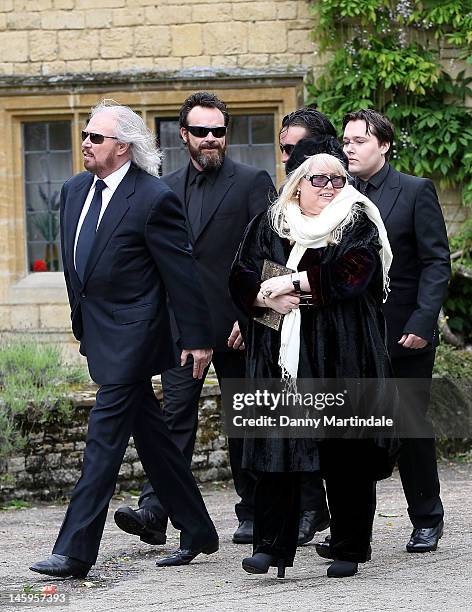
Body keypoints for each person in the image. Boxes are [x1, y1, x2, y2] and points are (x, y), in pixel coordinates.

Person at [30, 100, 218, 578]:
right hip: (98, 331)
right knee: (153, 438)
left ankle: (75, 550)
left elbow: (181, 273)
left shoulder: (153, 197)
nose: (86, 143)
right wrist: (80, 320)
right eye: (86, 135)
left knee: (104, 439)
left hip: (136, 335)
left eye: (95, 137)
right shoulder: (74, 190)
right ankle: (198, 529)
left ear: (123, 146)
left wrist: (197, 338)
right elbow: (77, 266)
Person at [114, 92, 275, 547]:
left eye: (218, 132)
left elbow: (272, 253)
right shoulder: (162, 186)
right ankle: (155, 510)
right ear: (182, 134)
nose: (210, 139)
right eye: (200, 131)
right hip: (182, 329)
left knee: (246, 421)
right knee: (173, 419)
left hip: (241, 325)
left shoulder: (252, 181)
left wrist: (256, 313)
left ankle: (253, 511)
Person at [229, 153, 396, 578]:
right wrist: (266, 297)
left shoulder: (357, 219)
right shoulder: (272, 221)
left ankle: (348, 546)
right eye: (319, 178)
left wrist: (293, 283)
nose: (330, 187)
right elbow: (241, 273)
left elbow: (356, 271)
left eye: (339, 180)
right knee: (277, 451)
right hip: (279, 356)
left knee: (346, 456)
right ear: (298, 183)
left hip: (344, 352)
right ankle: (271, 546)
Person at [341, 109, 451, 553]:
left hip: (405, 333)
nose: (349, 147)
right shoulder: (336, 195)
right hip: (352, 335)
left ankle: (427, 517)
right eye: (346, 140)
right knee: (351, 430)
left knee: (409, 427)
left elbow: (435, 262)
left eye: (359, 140)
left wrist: (423, 323)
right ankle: (352, 531)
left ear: (383, 145)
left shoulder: (415, 191)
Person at [279, 108, 339, 546]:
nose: (287, 158)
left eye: (296, 150)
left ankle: (348, 524)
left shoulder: (348, 212)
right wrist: (257, 310)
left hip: (336, 336)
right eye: (284, 149)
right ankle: (309, 508)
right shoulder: (281, 210)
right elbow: (260, 270)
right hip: (288, 335)